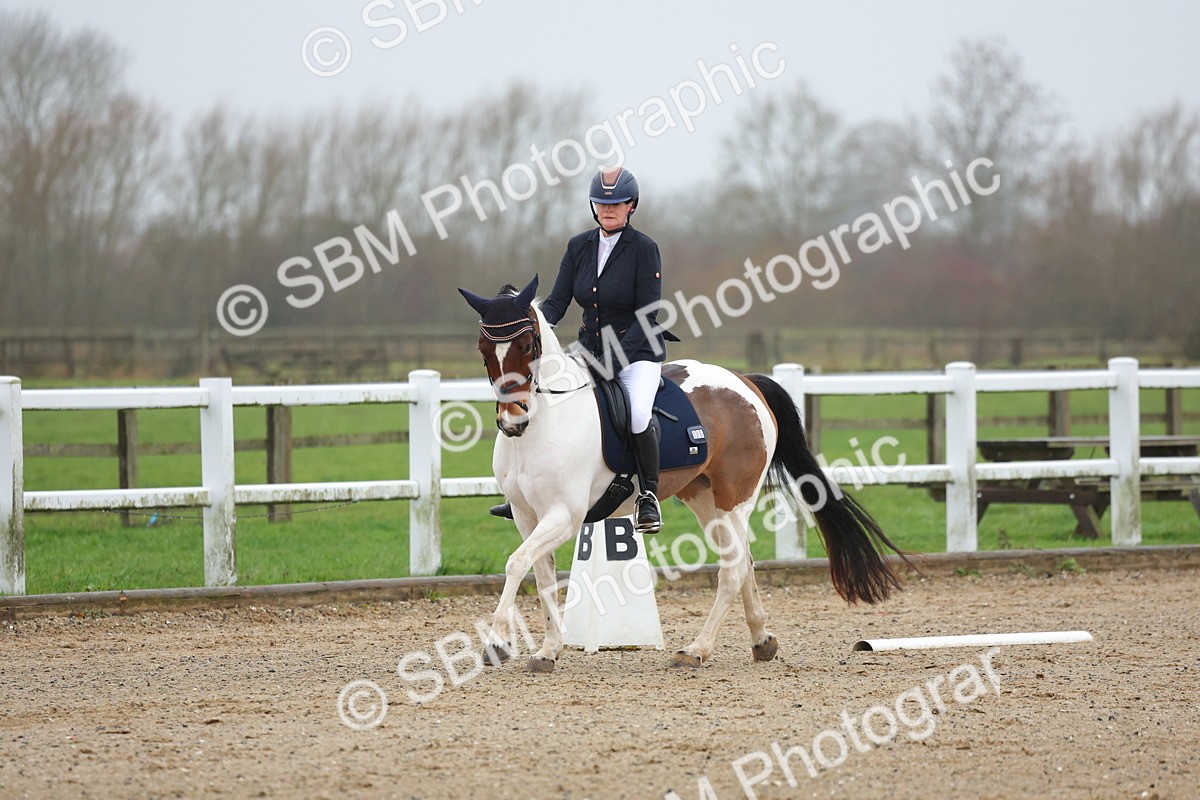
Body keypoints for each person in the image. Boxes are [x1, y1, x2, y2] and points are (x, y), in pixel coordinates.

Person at [490, 166, 675, 534]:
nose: (609, 209)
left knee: (637, 413)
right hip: (588, 351)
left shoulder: (645, 249)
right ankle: (525, 494)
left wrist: (613, 359)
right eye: (602, 203)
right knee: (544, 398)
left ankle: (647, 497)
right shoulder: (579, 247)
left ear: (631, 206)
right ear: (594, 207)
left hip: (636, 352)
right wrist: (528, 322)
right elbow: (557, 304)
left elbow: (646, 314)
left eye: (617, 203)